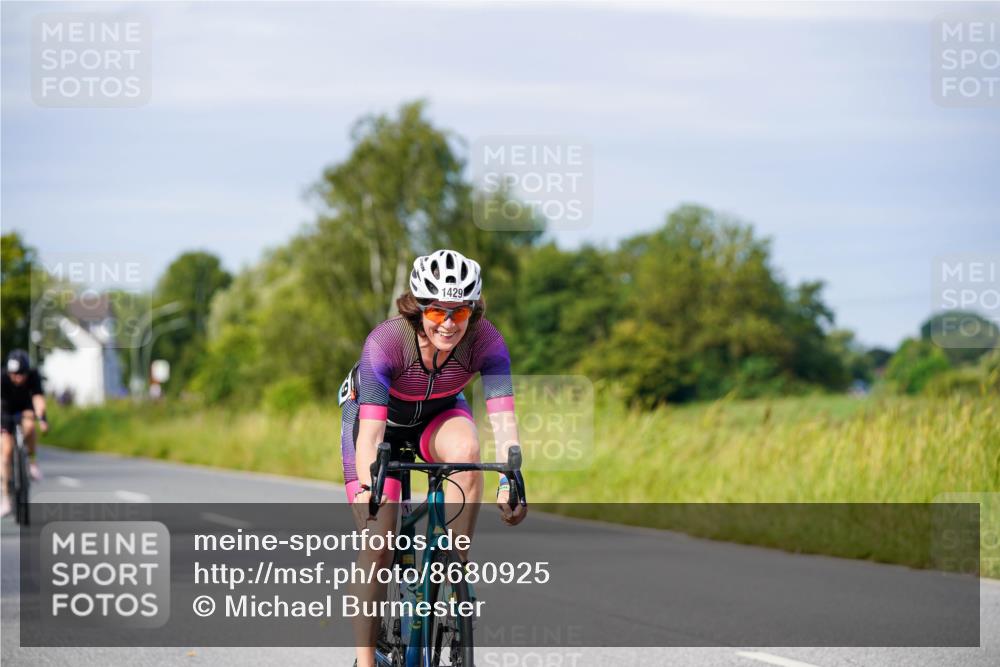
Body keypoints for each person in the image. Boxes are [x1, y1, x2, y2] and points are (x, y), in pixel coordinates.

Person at [340, 249, 527, 667]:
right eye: (437, 311)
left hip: (437, 416)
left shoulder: (488, 342)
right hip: (380, 422)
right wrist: (370, 489)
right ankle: (365, 661)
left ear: (473, 312)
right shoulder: (386, 343)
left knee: (468, 450)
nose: (447, 323)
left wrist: (510, 481)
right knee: (379, 544)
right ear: (418, 308)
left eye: (458, 313)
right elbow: (370, 434)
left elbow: (504, 423)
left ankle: (451, 576)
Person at [1, 349, 48, 517]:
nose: (19, 378)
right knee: (6, 453)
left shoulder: (33, 376)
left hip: (25, 409)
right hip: (4, 412)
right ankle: (6, 498)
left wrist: (42, 419)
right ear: (9, 372)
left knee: (30, 427)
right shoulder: (2, 378)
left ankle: (32, 462)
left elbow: (38, 399)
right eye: (15, 374)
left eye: (22, 374)